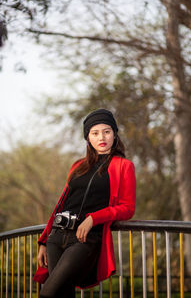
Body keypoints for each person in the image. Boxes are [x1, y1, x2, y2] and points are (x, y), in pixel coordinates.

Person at [33, 108, 136, 298]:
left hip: (85, 239)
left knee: (47, 293)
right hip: (57, 237)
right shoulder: (78, 165)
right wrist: (44, 240)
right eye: (95, 133)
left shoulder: (123, 166)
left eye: (107, 131)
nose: (101, 137)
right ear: (88, 138)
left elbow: (127, 208)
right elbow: (62, 204)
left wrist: (93, 219)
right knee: (62, 294)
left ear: (114, 134)